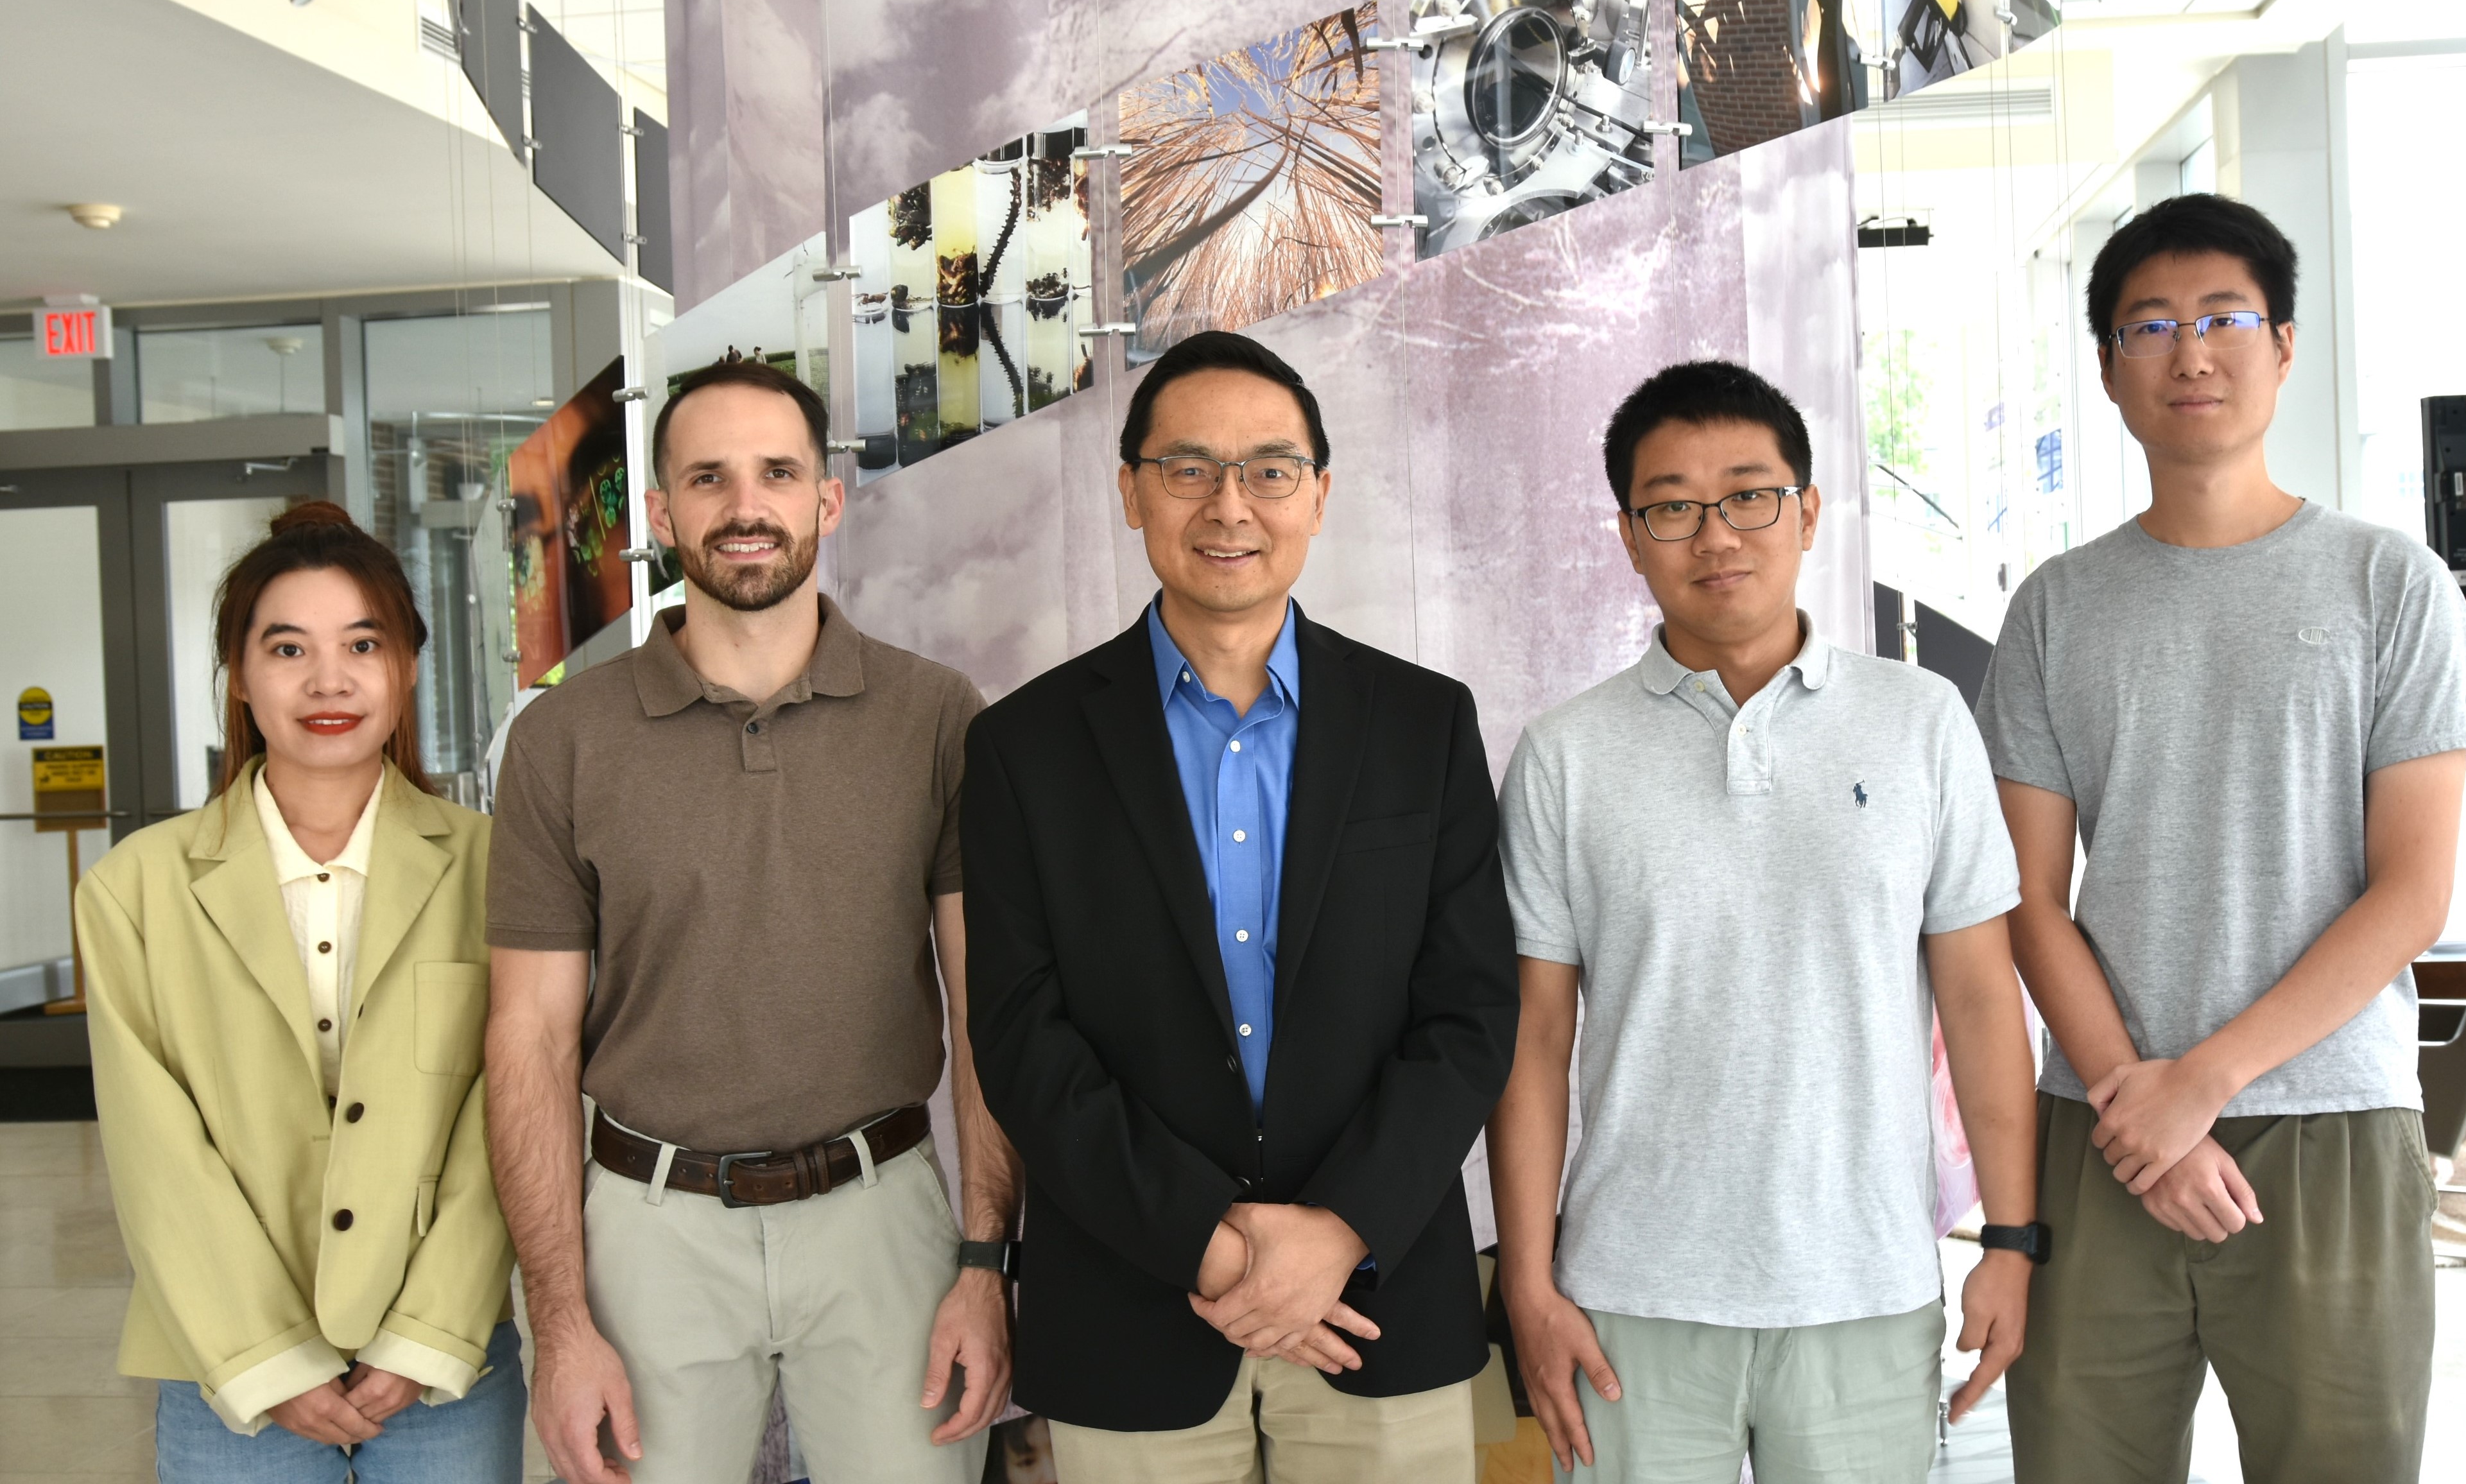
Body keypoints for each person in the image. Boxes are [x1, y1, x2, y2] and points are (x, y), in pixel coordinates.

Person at [1980, 193, 2466, 1484]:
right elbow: (2027, 897)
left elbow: (2412, 890)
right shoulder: (2055, 607)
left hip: (2327, 1123)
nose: (2189, 351)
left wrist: (2200, 1083)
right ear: (2109, 369)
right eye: (2148, 326)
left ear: (2282, 344)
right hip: (2101, 1126)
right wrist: (2134, 1100)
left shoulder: (2390, 584)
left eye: (2223, 317)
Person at [963, 330, 1519, 1483]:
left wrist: (1338, 1233)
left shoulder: (1425, 725)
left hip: (1373, 1302)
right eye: (1189, 468)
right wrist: (1214, 1249)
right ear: (1130, 491)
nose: (1232, 505)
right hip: (1133, 1304)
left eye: (1270, 469)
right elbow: (1022, 1038)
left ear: (1319, 494)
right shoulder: (1024, 746)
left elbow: (1469, 1010)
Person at [1488, 361, 2039, 1483]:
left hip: (1865, 1286)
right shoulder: (1563, 754)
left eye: (1749, 494)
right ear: (1630, 537)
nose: (1716, 534)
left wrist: (2014, 1240)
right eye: (1673, 506)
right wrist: (1530, 1282)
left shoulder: (1921, 721)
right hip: (1628, 1296)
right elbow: (1534, 1038)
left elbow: (1983, 999)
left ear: (1809, 511)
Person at [483, 358, 1016, 1484]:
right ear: (664, 510)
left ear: (826, 500)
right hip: (646, 1225)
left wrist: (983, 1259)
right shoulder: (562, 741)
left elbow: (986, 1010)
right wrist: (563, 1318)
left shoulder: (937, 718)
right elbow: (528, 1039)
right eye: (709, 478)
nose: (745, 507)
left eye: (777, 472)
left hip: (884, 1221)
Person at [80, 501, 523, 1481]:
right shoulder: (135, 888)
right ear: (241, 676)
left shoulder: (500, 870)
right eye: (288, 649)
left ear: (407, 666)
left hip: (447, 1363)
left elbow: (512, 1107)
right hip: (224, 1368)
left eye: (362, 643)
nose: (329, 680)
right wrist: (264, 1357)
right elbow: (156, 1152)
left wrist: (426, 1332)